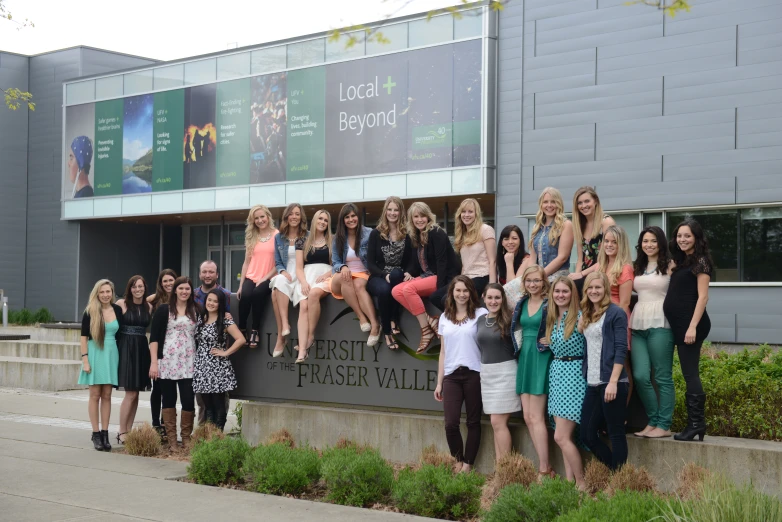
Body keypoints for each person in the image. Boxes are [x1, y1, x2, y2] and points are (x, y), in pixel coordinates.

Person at [664, 219, 712, 442]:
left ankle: (695, 424)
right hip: (680, 325)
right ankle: (696, 425)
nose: (682, 239)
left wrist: (692, 327)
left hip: (691, 326)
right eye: (679, 236)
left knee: (690, 374)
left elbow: (703, 297)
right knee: (687, 373)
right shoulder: (681, 261)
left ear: (696, 238)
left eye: (687, 236)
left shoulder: (701, 262)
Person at [434, 276, 487, 473]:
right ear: (452, 293)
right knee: (451, 424)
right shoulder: (444, 317)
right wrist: (439, 383)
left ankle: (468, 465)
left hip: (474, 373)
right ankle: (457, 460)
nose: (462, 294)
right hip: (452, 376)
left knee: (473, 422)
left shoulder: (481, 314)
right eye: (458, 290)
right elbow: (443, 352)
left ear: (471, 293)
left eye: (465, 290)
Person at [392, 202, 460, 353]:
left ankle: (426, 330)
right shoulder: (415, 235)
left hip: (443, 277)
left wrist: (441, 287)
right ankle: (431, 321)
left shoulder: (436, 232)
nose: (420, 219)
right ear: (411, 219)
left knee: (408, 289)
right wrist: (410, 272)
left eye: (423, 216)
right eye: (416, 216)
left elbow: (442, 263)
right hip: (426, 276)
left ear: (429, 217)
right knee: (396, 291)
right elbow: (416, 262)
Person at [579, 272, 630, 470]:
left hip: (612, 382)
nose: (594, 291)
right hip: (593, 382)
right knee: (587, 434)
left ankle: (619, 482)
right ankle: (614, 472)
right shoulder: (587, 313)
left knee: (615, 432)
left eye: (598, 287)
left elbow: (621, 349)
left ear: (606, 289)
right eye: (590, 288)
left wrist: (613, 382)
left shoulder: (615, 313)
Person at [631, 226, 675, 439]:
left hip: (661, 323)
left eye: (653, 241)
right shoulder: (637, 266)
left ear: (661, 243)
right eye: (645, 241)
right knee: (640, 375)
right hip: (638, 324)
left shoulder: (670, 265)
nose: (649, 245)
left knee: (662, 376)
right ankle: (653, 420)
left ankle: (664, 425)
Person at [510, 264, 553, 478]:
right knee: (527, 416)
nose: (533, 284)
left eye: (537, 280)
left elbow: (566, 322)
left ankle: (544, 469)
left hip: (540, 356)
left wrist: (553, 339)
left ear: (544, 281)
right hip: (524, 355)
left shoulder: (550, 302)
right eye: (529, 281)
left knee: (536, 416)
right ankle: (545, 466)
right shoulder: (522, 302)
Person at [544, 276, 587, 490]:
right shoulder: (553, 318)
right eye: (557, 291)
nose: (560, 295)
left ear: (572, 294)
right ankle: (569, 482)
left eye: (565, 291)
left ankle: (581, 483)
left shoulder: (580, 317)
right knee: (563, 435)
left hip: (574, 376)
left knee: (560, 436)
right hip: (557, 374)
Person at [149, 277, 199, 448]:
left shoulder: (196, 309)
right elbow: (154, 338)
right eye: (181, 289)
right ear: (175, 290)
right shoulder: (164, 310)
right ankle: (171, 439)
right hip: (167, 361)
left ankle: (186, 437)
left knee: (188, 400)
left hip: (189, 362)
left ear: (191, 291)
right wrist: (154, 363)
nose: (184, 292)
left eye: (187, 289)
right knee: (168, 399)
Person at [78, 279, 122, 451]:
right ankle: (95, 433)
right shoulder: (90, 311)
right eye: (102, 292)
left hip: (112, 354)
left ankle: (105, 433)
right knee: (95, 395)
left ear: (112, 293)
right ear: (97, 293)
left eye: (108, 291)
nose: (105, 295)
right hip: (95, 353)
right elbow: (83, 338)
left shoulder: (117, 309)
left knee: (107, 395)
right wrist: (85, 360)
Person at [477, 283, 519, 461]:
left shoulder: (511, 320)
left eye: (497, 298)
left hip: (506, 373)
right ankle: (500, 467)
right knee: (496, 424)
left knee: (498, 422)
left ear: (503, 299)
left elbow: (521, 347)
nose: (493, 301)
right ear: (483, 298)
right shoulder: (480, 319)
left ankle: (505, 467)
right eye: (490, 297)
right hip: (487, 374)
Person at [193, 290, 245, 431]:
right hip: (202, 366)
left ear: (220, 304)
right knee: (207, 406)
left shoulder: (225, 320)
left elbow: (241, 339)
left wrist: (225, 353)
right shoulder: (201, 318)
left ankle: (219, 436)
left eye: (215, 301)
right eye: (209, 300)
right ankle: (211, 436)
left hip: (217, 367)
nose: (211, 303)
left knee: (218, 404)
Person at [330, 203, 380, 347]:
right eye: (347, 217)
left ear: (358, 217)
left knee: (358, 285)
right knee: (345, 277)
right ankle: (361, 317)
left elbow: (375, 257)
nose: (351, 219)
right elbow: (335, 261)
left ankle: (375, 326)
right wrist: (343, 267)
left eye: (353, 216)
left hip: (363, 273)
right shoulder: (338, 237)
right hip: (343, 274)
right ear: (342, 220)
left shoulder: (369, 233)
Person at [430, 198, 496, 308]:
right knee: (435, 297)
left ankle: (462, 321)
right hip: (466, 278)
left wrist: (492, 287)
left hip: (482, 276)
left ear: (477, 214)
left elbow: (493, 261)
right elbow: (465, 263)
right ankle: (458, 320)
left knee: (446, 299)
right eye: (463, 212)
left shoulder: (485, 229)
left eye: (470, 211)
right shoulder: (463, 234)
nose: (466, 215)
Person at [367, 196, 413, 350]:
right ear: (385, 211)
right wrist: (382, 275)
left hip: (398, 275)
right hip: (378, 276)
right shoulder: (376, 233)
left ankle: (393, 319)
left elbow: (412, 260)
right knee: (385, 290)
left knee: (396, 276)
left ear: (401, 212)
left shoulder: (408, 234)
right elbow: (371, 263)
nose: (393, 213)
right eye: (390, 209)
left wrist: (409, 272)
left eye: (396, 210)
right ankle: (387, 331)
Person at [192, 260, 232, 427]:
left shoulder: (226, 294)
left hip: (217, 356)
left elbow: (229, 321)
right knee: (203, 401)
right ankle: (204, 432)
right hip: (199, 355)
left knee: (219, 401)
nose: (207, 275)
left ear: (217, 274)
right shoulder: (192, 295)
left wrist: (225, 351)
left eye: (211, 272)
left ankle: (217, 435)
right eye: (204, 272)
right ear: (200, 274)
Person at [597, 225, 634, 401]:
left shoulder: (625, 268)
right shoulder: (601, 266)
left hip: (616, 321)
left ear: (621, 245)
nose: (609, 245)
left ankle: (623, 414)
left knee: (622, 367)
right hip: (599, 320)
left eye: (614, 242)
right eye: (607, 241)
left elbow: (625, 302)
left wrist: (609, 322)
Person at [114, 276, 152, 445]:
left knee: (136, 393)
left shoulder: (149, 306)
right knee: (130, 393)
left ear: (145, 288)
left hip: (142, 348)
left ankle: (128, 430)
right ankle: (121, 431)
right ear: (130, 289)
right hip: (126, 348)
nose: (138, 289)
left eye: (141, 286)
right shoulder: (121, 304)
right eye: (135, 287)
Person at [269, 203, 307, 357]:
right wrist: (282, 271)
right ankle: (285, 324)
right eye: (291, 214)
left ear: (301, 217)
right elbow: (278, 261)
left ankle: (281, 336)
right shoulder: (279, 237)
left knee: (274, 295)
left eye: (297, 214)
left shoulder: (308, 235)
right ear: (286, 217)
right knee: (278, 280)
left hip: (302, 275)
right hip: (287, 275)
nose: (294, 217)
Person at [238, 205, 278, 349]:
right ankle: (242, 328)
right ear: (253, 221)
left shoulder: (277, 235)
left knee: (258, 294)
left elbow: (280, 262)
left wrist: (265, 278)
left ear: (268, 217)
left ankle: (255, 330)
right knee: (246, 295)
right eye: (257, 218)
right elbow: (246, 262)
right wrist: (241, 285)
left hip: (270, 276)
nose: (260, 220)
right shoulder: (251, 237)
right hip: (251, 275)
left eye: (262, 217)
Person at [300, 210, 336, 362]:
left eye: (326, 220)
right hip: (308, 277)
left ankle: (310, 336)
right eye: (320, 219)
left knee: (314, 294)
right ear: (314, 220)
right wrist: (302, 282)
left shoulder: (333, 240)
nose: (322, 222)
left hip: (327, 277)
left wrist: (328, 275)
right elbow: (299, 266)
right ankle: (302, 349)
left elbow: (338, 263)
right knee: (303, 305)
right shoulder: (304, 241)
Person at [146, 268, 177, 439]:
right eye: (164, 281)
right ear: (160, 283)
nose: (168, 284)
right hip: (158, 348)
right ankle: (156, 423)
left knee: (169, 389)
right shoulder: (154, 300)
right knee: (157, 388)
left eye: (171, 280)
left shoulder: (181, 297)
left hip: (175, 351)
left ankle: (167, 423)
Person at [568, 187, 616, 294]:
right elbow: (580, 260)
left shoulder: (606, 222)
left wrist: (581, 275)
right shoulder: (580, 225)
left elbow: (607, 258)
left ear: (595, 201)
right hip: (585, 276)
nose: (583, 206)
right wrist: (575, 277)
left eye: (587, 201)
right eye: (580, 203)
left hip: (601, 274)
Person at [528, 187, 574, 282]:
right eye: (545, 202)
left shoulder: (566, 225)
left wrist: (539, 276)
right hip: (539, 278)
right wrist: (529, 276)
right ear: (541, 204)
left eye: (553, 202)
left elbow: (562, 257)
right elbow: (532, 259)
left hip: (558, 279)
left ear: (559, 203)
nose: (549, 205)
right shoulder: (536, 227)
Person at [498, 224, 530, 305]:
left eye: (514, 238)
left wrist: (509, 263)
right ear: (502, 242)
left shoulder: (527, 260)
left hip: (519, 302)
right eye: (506, 239)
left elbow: (512, 287)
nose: (510, 242)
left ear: (520, 241)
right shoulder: (500, 259)